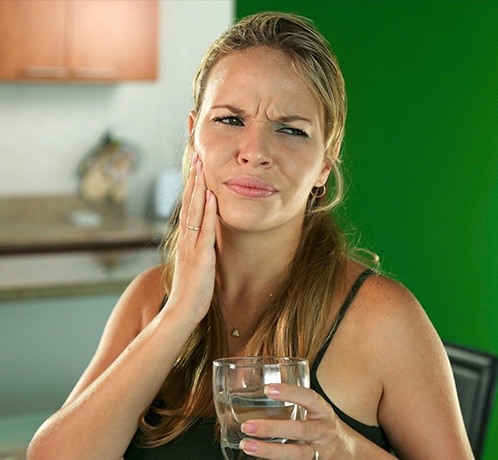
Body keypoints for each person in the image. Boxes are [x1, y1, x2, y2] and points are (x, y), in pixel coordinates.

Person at [28, 12, 473, 459]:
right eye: (230, 120)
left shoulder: (383, 319)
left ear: (325, 160)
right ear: (193, 135)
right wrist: (181, 312)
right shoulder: (151, 300)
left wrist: (342, 449)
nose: (256, 152)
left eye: (291, 129)